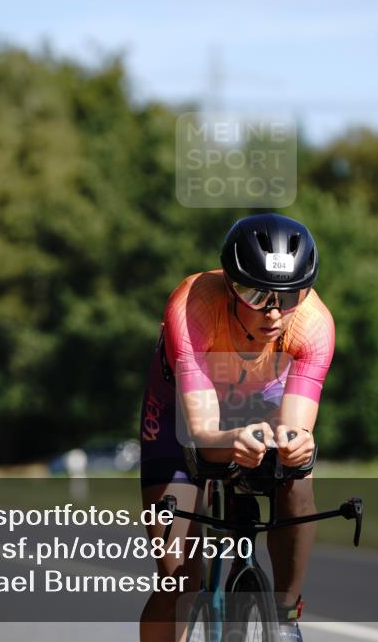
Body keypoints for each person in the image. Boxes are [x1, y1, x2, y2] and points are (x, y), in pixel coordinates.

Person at [139, 214, 334, 642]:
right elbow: (203, 434)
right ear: (229, 286)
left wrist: (295, 446)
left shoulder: (314, 325)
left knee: (296, 472)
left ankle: (285, 615)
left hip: (262, 394)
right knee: (179, 583)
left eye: (290, 295)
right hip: (183, 406)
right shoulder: (192, 308)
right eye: (254, 293)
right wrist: (230, 441)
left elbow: (296, 430)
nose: (274, 312)